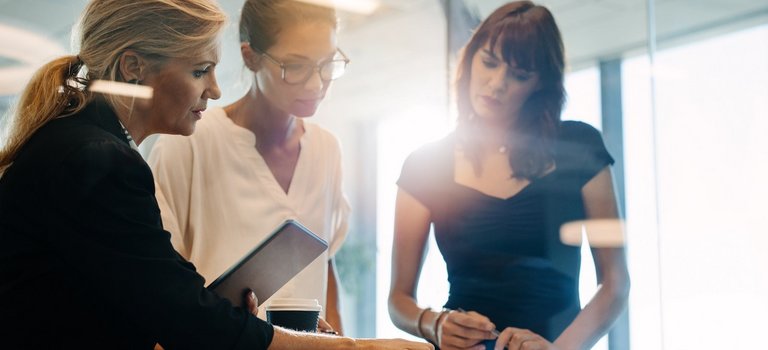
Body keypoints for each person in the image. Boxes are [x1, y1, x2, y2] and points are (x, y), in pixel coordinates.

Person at [0, 0, 431, 349]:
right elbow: (181, 316)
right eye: (198, 70)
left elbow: (157, 297)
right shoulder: (99, 160)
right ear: (132, 67)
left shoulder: (83, 146)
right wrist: (357, 348)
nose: (215, 88)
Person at [388, 2, 630, 350]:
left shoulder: (581, 146)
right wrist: (434, 324)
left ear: (540, 85)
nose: (497, 84)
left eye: (519, 75)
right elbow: (398, 298)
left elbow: (615, 284)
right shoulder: (425, 164)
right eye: (489, 62)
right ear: (470, 59)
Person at [148, 0, 350, 334]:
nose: (316, 84)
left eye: (327, 64)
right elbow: (160, 283)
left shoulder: (327, 150)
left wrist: (344, 344)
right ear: (250, 56)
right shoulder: (188, 142)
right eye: (295, 66)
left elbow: (324, 267)